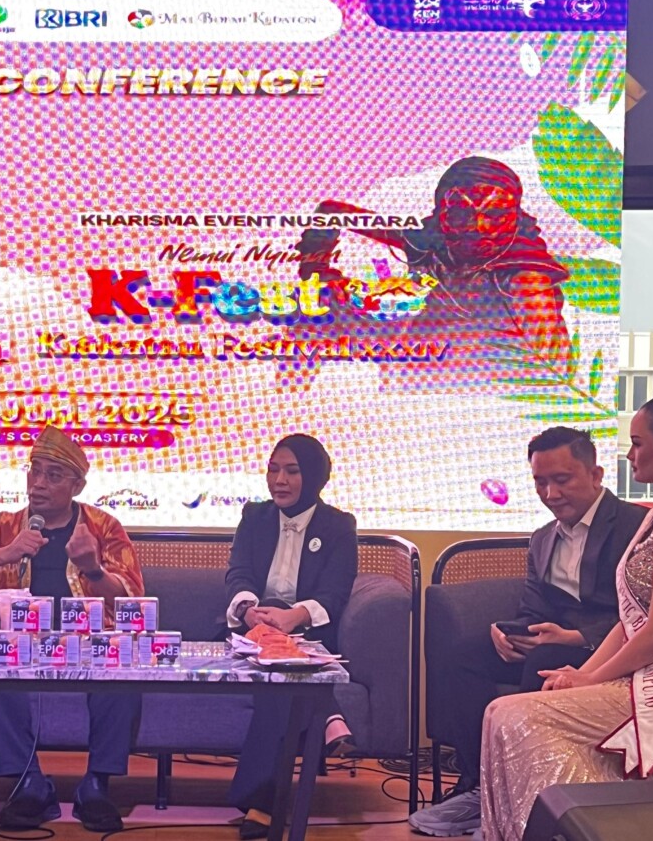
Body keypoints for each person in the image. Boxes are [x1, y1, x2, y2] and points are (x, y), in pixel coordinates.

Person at [477, 367, 653, 841]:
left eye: (637, 443)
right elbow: (631, 619)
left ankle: (596, 830)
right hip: (647, 668)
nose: (630, 453)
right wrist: (583, 674)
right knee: (500, 712)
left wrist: (591, 678)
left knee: (517, 716)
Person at [409, 426, 647, 837]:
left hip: (609, 647)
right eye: (540, 482)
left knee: (544, 659)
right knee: (461, 655)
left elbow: (643, 611)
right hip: (553, 639)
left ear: (596, 474)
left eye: (562, 479)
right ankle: (479, 785)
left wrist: (576, 638)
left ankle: (517, 794)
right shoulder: (542, 538)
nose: (550, 494)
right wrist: (507, 633)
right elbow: (533, 609)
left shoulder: (636, 526)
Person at [0, 425, 144, 833]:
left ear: (78, 485)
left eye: (53, 475)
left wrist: (92, 569)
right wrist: (7, 552)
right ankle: (28, 784)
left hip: (89, 642)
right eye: (35, 471)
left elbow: (131, 598)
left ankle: (96, 786)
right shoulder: (6, 525)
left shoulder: (103, 527)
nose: (39, 483)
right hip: (22, 643)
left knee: (121, 669)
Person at [311, 156, 573, 369]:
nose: (477, 226)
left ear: (516, 216)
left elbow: (552, 364)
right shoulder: (426, 240)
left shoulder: (526, 278)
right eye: (460, 212)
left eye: (495, 213)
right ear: (441, 214)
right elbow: (331, 212)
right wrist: (316, 270)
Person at [225, 434, 358, 840]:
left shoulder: (338, 526)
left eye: (291, 471)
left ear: (314, 476)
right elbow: (238, 573)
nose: (278, 480)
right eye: (273, 469)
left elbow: (335, 592)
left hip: (306, 631)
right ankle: (329, 714)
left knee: (279, 679)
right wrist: (249, 610)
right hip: (253, 629)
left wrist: (294, 616)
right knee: (278, 658)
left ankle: (261, 802)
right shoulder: (254, 517)